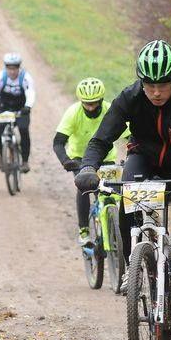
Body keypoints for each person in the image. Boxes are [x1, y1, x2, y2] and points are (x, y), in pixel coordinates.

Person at [75, 40, 171, 340]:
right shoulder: (130, 98)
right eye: (149, 85)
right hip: (144, 161)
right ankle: (134, 266)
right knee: (124, 202)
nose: (156, 92)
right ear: (141, 81)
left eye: (163, 85)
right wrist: (88, 166)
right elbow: (101, 139)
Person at [53, 78, 128, 243]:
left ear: (101, 100)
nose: (91, 107)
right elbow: (58, 142)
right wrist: (66, 161)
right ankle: (84, 230)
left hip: (105, 157)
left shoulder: (110, 110)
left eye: (95, 103)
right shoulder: (73, 113)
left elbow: (129, 136)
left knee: (114, 191)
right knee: (84, 188)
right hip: (80, 159)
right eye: (87, 103)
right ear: (81, 101)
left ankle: (117, 224)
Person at [0, 53, 35, 173]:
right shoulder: (0, 77)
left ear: (19, 67)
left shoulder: (25, 77)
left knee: (23, 130)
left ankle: (25, 161)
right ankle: (2, 155)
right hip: (4, 107)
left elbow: (30, 93)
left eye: (15, 68)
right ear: (6, 67)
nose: (12, 71)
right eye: (9, 68)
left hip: (21, 109)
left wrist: (28, 106)